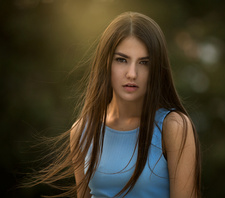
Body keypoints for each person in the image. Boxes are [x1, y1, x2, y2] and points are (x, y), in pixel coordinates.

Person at [28, 11, 201, 198]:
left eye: (144, 63)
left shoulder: (173, 127)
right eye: (122, 60)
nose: (132, 73)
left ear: (156, 69)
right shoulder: (82, 131)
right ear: (106, 63)